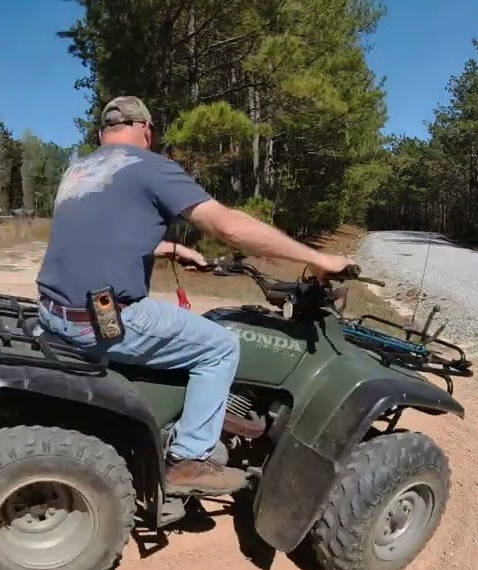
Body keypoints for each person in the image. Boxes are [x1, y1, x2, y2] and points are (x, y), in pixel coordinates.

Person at [35, 95, 353, 496]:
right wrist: (317, 258)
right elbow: (228, 227)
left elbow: (97, 238)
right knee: (220, 345)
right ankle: (189, 458)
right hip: (104, 321)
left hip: (53, 312)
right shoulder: (148, 166)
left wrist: (171, 248)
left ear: (103, 134)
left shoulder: (79, 172)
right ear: (147, 130)